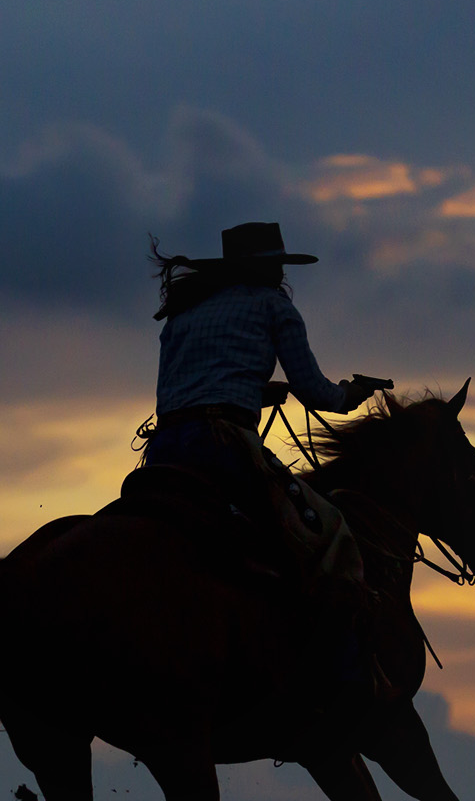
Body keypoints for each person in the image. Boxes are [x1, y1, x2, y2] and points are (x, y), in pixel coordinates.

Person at [140, 221, 390, 717]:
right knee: (332, 534)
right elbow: (319, 391)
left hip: (166, 447)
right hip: (225, 444)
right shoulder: (275, 308)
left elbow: (182, 387)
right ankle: (342, 685)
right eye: (276, 263)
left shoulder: (183, 314)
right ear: (265, 269)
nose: (280, 272)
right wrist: (350, 396)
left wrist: (257, 389)